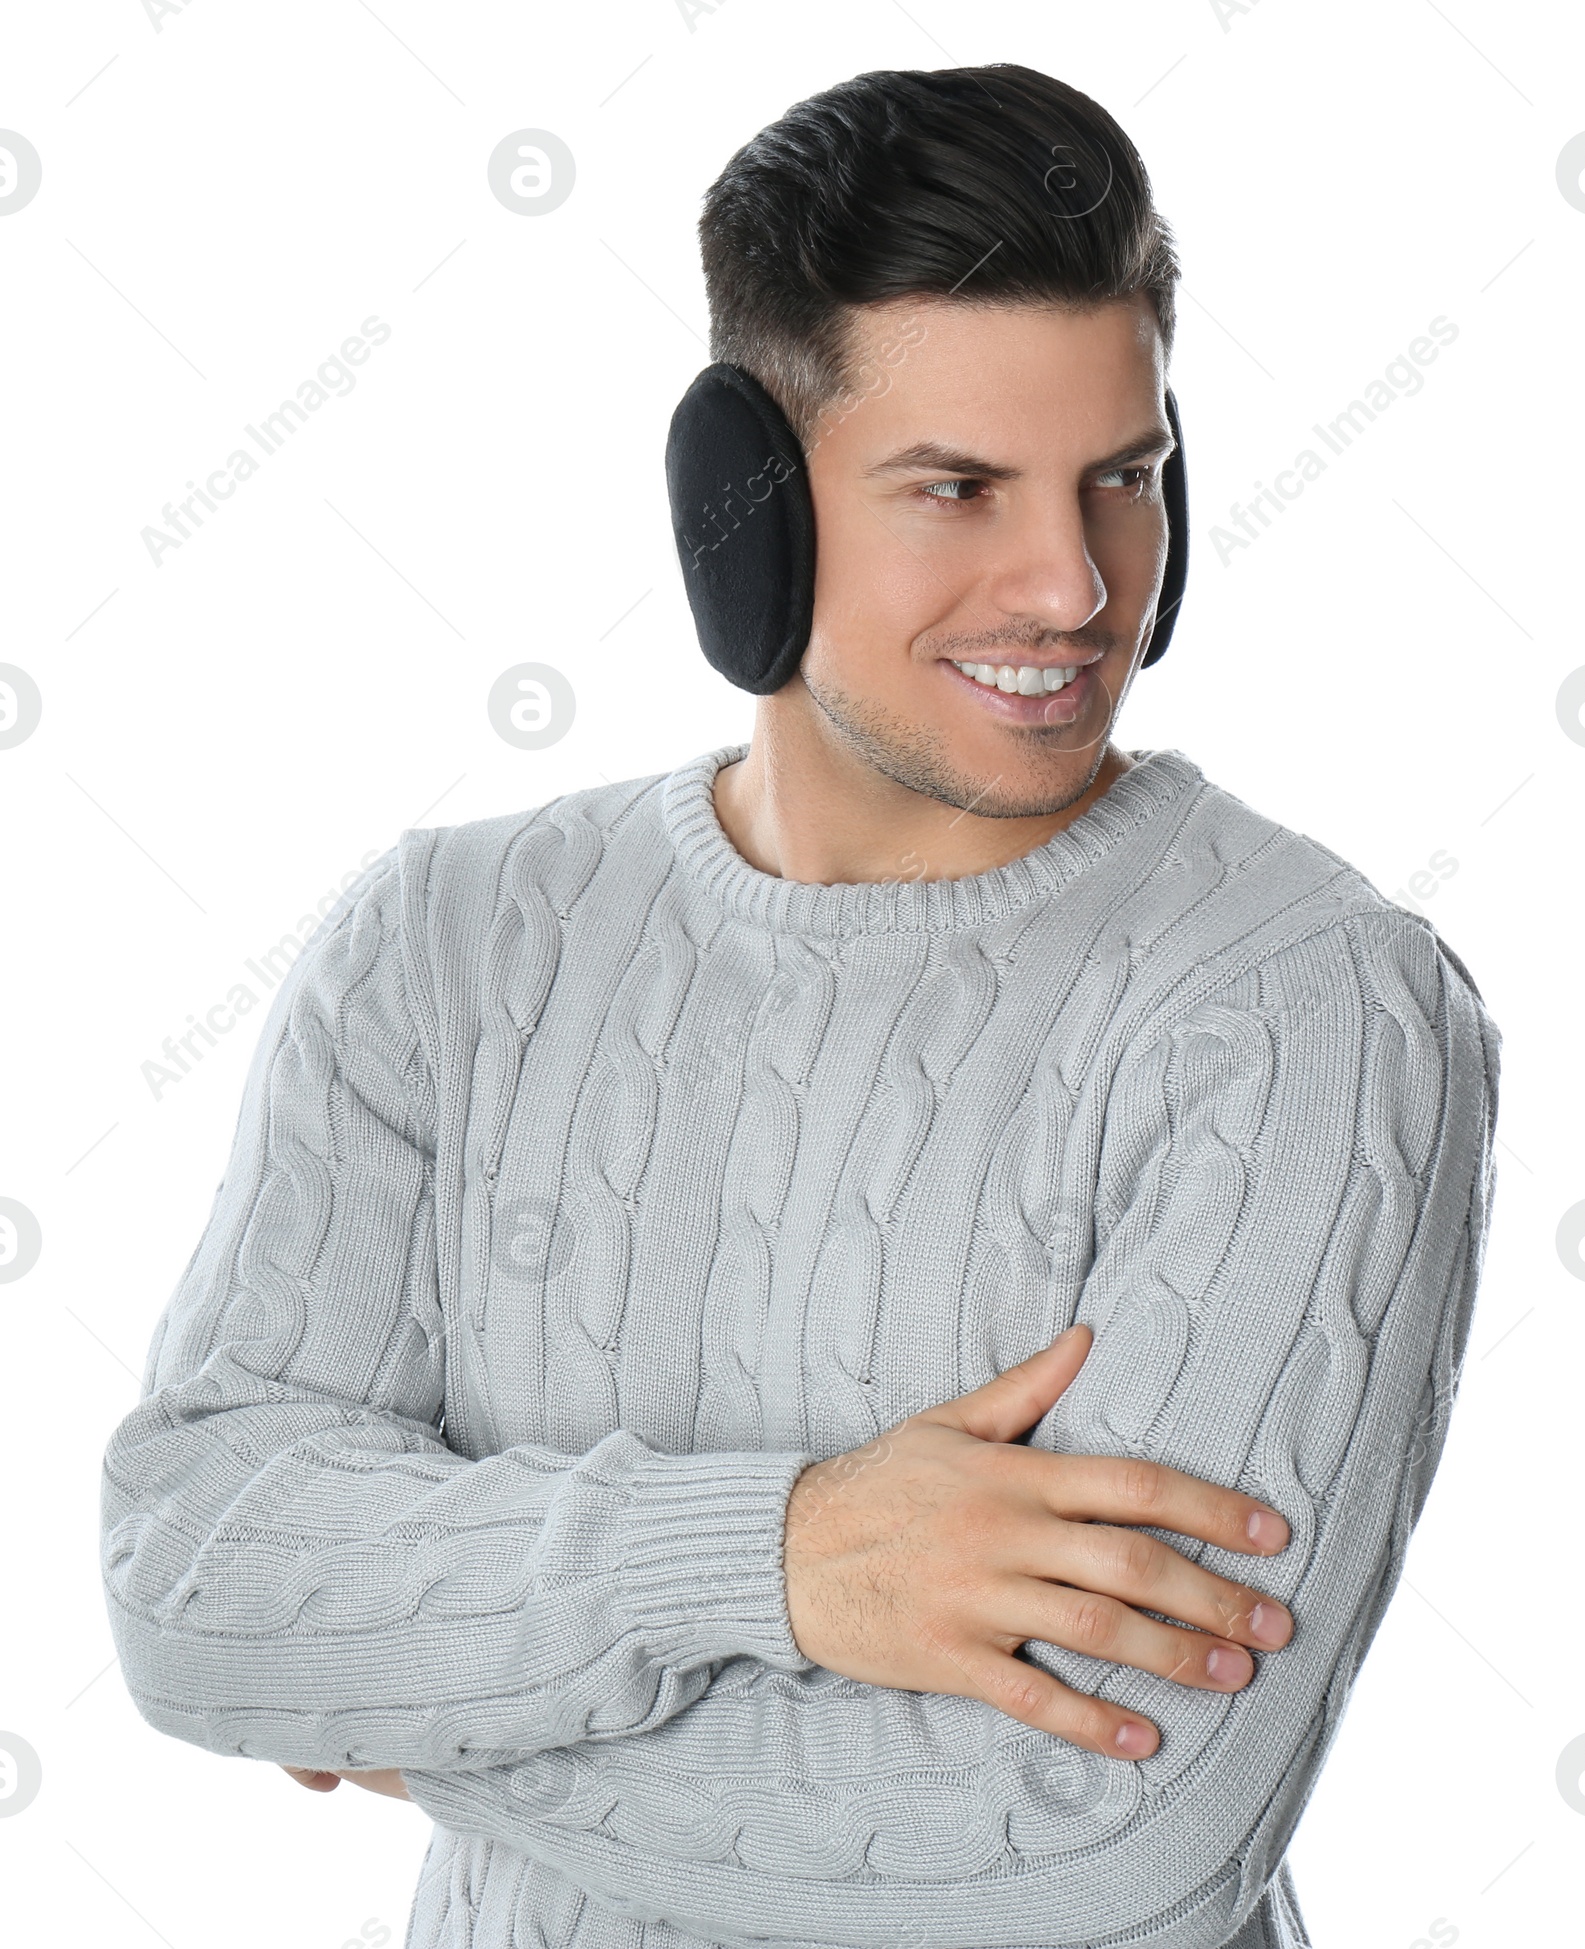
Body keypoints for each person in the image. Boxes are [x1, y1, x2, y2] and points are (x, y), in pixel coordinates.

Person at [99, 63, 1501, 1949]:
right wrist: (776, 1557)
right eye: (959, 490)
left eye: (1125, 475)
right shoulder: (445, 943)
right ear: (741, 502)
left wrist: (414, 1684)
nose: (1074, 583)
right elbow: (194, 1571)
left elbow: (1104, 1847)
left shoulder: (1308, 1008)